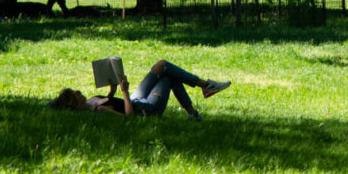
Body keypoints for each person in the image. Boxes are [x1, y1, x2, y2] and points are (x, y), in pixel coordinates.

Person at [46, 60, 232, 121]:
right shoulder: (96, 110)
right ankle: (205, 88)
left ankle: (198, 104)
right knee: (168, 76)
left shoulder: (91, 101)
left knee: (161, 66)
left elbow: (110, 100)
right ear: (74, 103)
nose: (80, 92)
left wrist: (112, 90)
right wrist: (124, 92)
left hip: (136, 99)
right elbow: (128, 117)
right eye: (76, 93)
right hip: (145, 109)